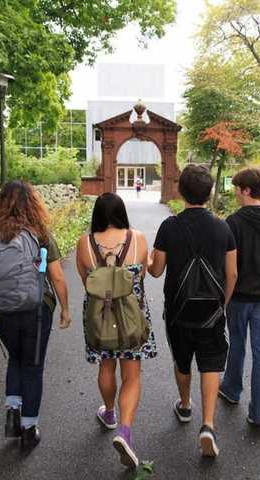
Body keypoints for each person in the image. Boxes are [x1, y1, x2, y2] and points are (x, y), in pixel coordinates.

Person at [148, 164, 238, 458]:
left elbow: (157, 271)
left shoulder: (169, 227)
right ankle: (208, 425)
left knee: (183, 358)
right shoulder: (223, 227)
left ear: (180, 190)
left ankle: (185, 405)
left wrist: (149, 261)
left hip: (177, 309)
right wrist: (222, 304)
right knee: (211, 362)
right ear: (209, 192)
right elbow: (232, 274)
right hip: (212, 310)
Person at [0, 181, 71, 452]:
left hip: (1, 310)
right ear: (33, 203)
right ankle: (29, 428)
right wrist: (65, 309)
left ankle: (11, 412)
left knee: (15, 359)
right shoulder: (40, 233)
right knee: (33, 366)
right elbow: (57, 276)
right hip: (36, 309)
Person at [75, 192, 157, 468]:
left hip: (100, 318)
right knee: (131, 375)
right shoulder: (138, 239)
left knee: (106, 367)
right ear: (121, 213)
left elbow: (85, 280)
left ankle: (109, 412)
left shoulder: (84, 244)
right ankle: (125, 430)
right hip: (132, 317)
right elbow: (142, 277)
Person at [219, 167, 260, 427]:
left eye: (237, 188)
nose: (235, 192)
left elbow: (227, 266)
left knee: (236, 343)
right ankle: (259, 413)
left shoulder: (233, 223)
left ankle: (232, 389)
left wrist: (225, 294)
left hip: (239, 296)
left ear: (247, 190)